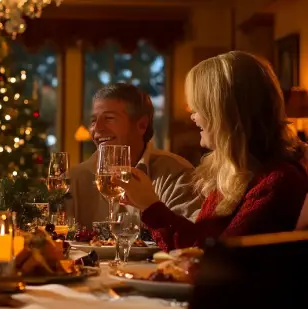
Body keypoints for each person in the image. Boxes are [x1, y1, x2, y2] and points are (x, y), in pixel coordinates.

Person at [120, 51, 308, 251]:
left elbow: (213, 258)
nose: (193, 116)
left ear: (226, 112)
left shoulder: (278, 180)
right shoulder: (232, 173)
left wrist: (150, 206)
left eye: (199, 107)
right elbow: (199, 241)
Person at [67, 83, 202, 227]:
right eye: (94, 120)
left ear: (142, 125)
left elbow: (190, 240)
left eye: (109, 118)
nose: (97, 128)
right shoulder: (74, 179)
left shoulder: (176, 173)